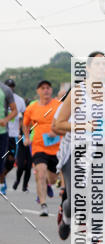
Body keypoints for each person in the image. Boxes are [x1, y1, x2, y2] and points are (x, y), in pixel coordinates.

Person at [52, 52, 105, 240]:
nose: (101, 67)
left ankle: (93, 241)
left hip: (101, 149)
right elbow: (57, 125)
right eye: (96, 64)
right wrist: (84, 125)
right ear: (88, 68)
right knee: (77, 200)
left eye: (104, 64)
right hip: (77, 149)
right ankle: (66, 215)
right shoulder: (77, 92)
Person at [22, 80, 61, 216]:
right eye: (43, 88)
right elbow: (25, 124)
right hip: (39, 146)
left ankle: (49, 183)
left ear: (51, 90)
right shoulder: (32, 108)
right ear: (38, 91)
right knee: (40, 172)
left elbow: (65, 121)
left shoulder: (58, 106)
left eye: (48, 88)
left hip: (57, 148)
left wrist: (56, 131)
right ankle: (43, 205)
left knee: (53, 179)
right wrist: (27, 138)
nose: (46, 90)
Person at [0, 78, 19, 193]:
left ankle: (2, 182)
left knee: (4, 161)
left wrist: (5, 120)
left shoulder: (6, 90)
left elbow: (15, 111)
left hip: (3, 132)